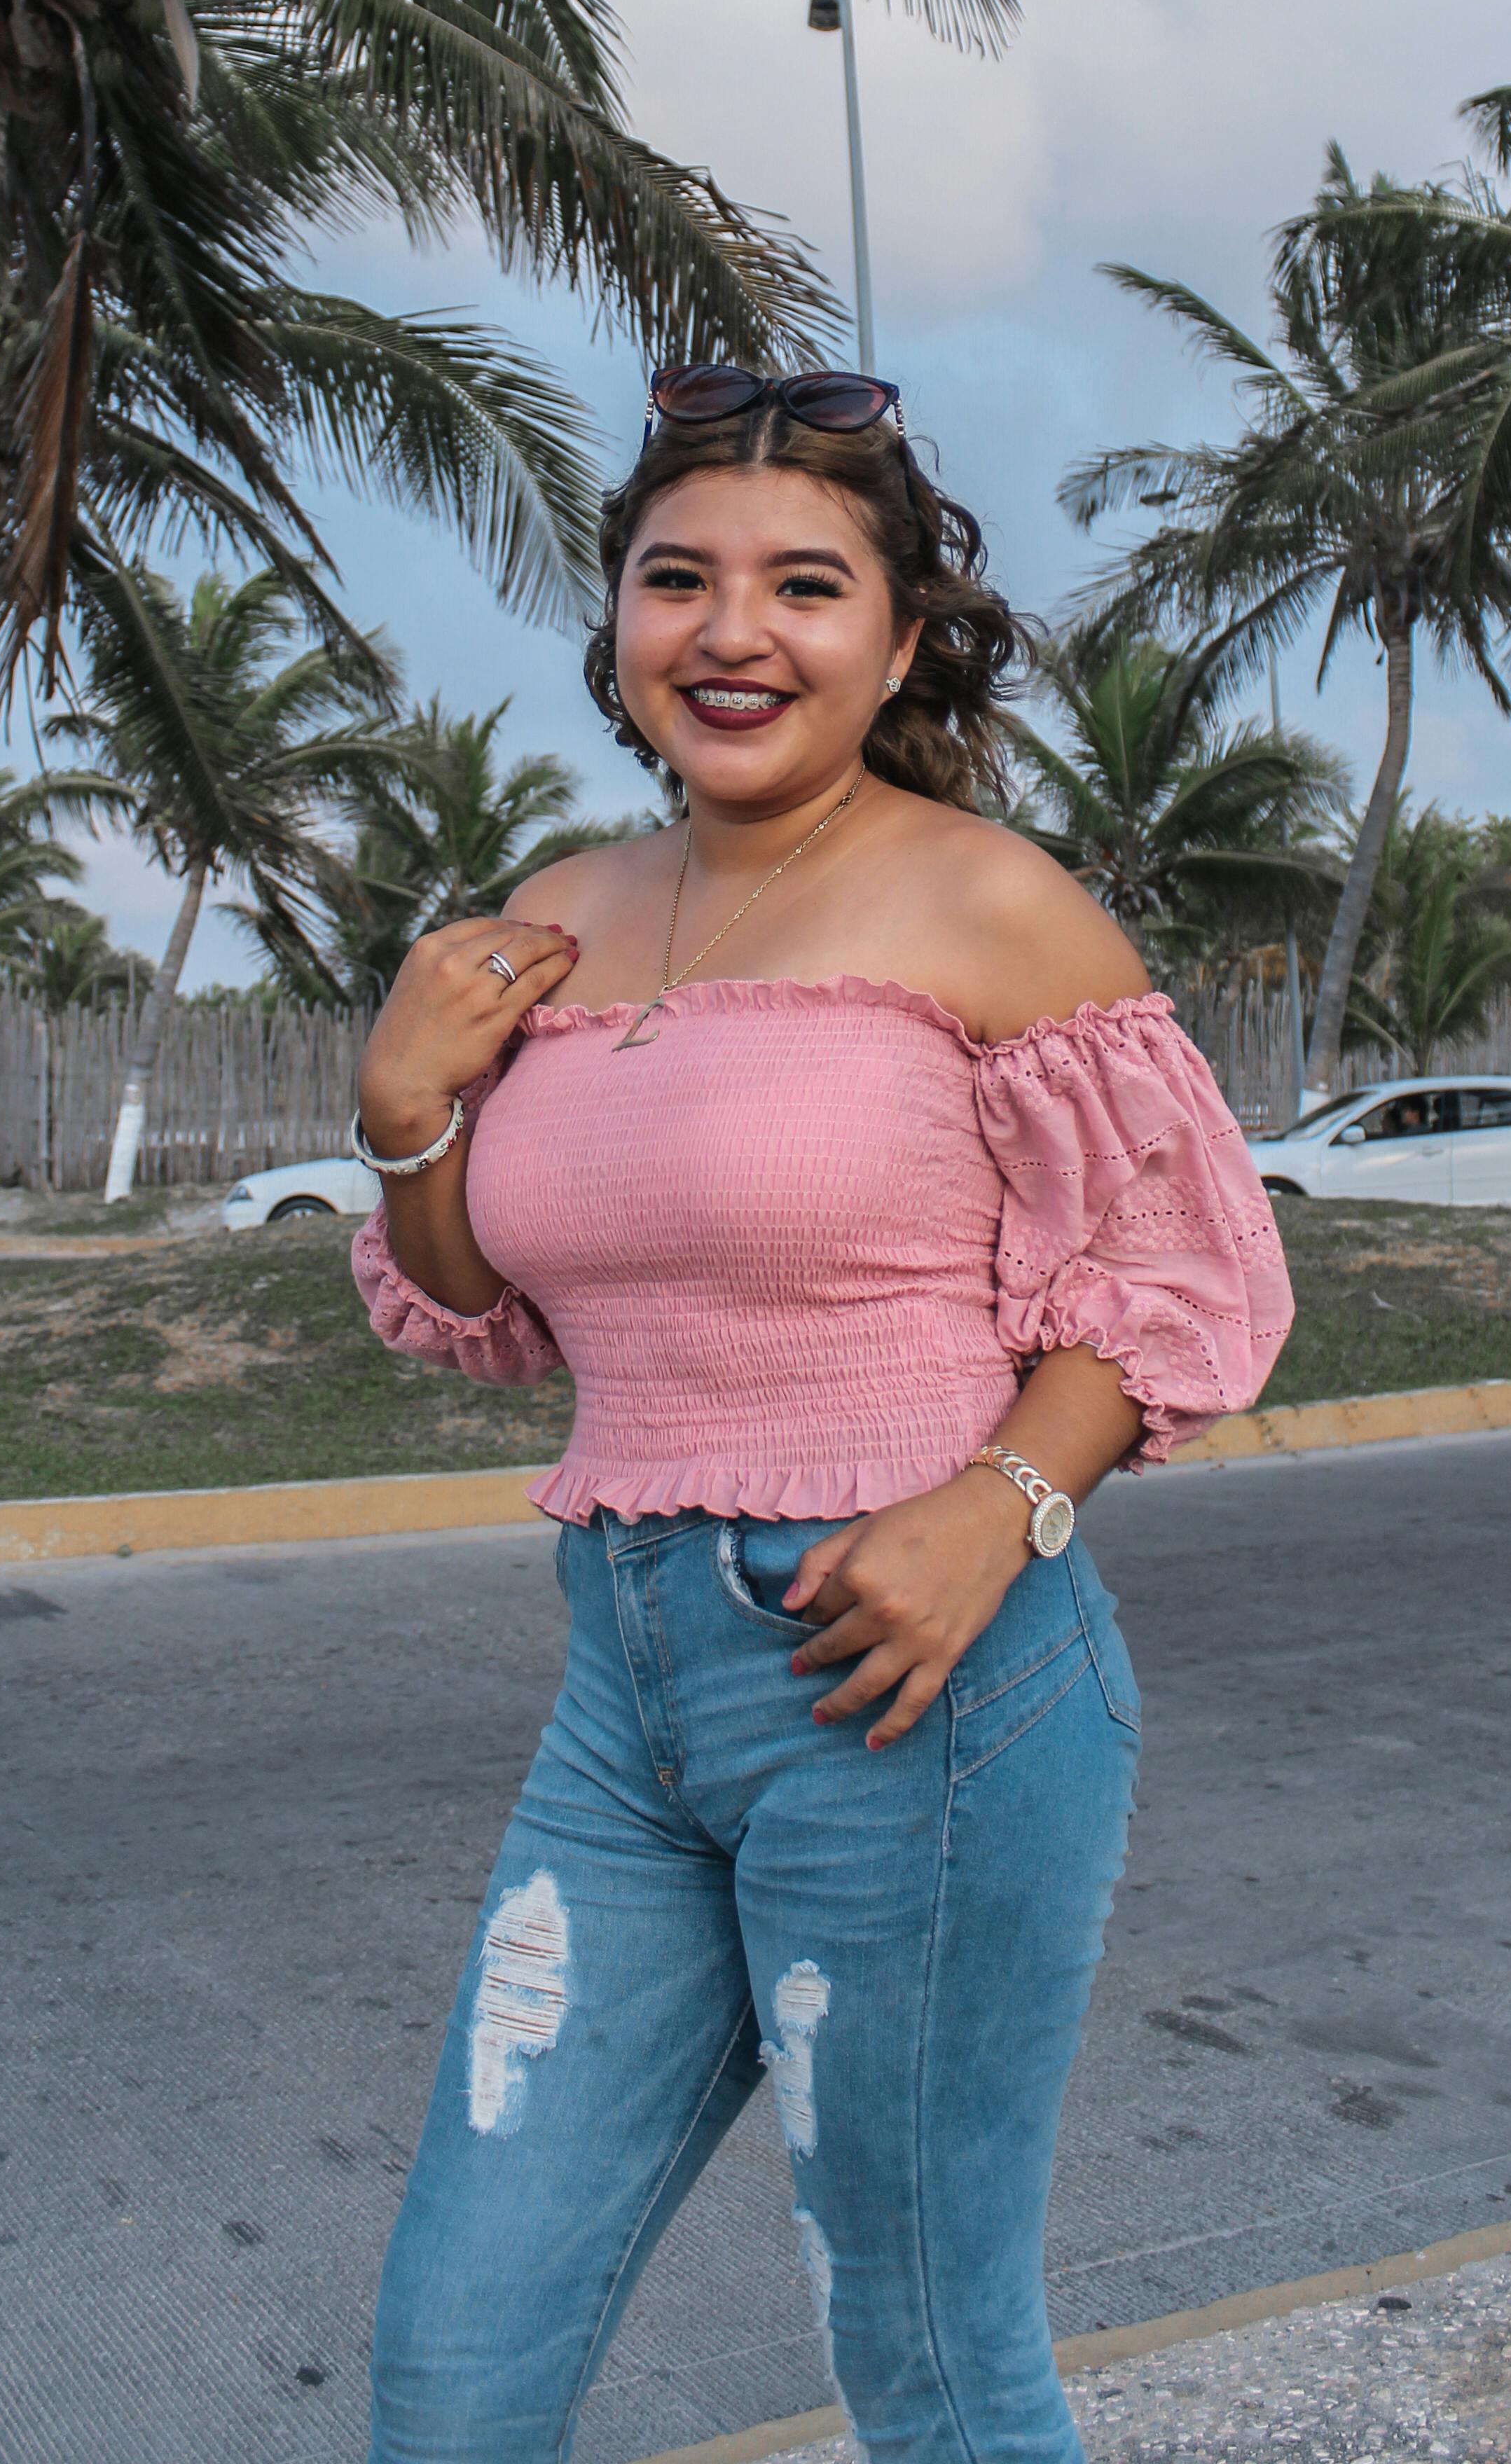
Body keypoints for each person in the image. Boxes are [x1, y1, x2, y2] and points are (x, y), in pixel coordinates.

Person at [351, 367, 1294, 2464]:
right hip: (628, 1706)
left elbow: (1173, 1276)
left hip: (917, 1691)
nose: (733, 631)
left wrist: (1006, 1504)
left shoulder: (987, 907)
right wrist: (409, 1117)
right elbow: (478, 1302)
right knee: (453, 2366)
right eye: (677, 579)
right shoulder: (556, 921)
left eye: (804, 584)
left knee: (934, 2365)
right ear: (614, 628)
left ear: (898, 634)